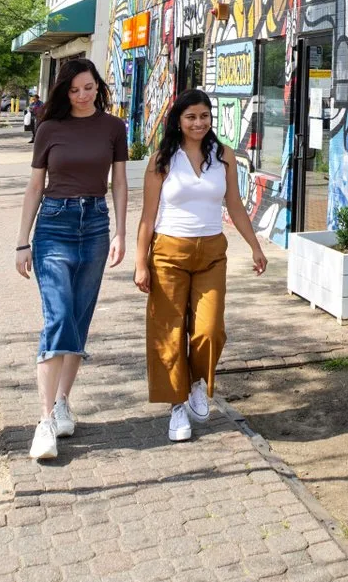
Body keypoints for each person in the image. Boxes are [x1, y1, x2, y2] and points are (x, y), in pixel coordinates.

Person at [134, 88, 268, 443]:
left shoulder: (222, 155)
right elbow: (147, 217)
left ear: (212, 119)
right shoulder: (163, 158)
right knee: (168, 333)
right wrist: (140, 264)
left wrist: (254, 246)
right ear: (178, 120)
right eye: (191, 117)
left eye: (204, 116)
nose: (198, 123)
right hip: (167, 253)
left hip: (211, 253)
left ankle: (195, 382)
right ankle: (176, 405)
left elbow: (235, 205)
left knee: (210, 330)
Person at [14, 60, 129, 462]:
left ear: (98, 87)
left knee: (79, 319)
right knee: (59, 317)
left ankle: (63, 403)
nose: (82, 95)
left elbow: (119, 182)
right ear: (64, 92)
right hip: (54, 226)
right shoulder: (48, 129)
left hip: (95, 225)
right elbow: (34, 188)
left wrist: (120, 233)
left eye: (89, 87)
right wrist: (21, 241)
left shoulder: (114, 128)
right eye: (75, 89)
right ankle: (44, 422)